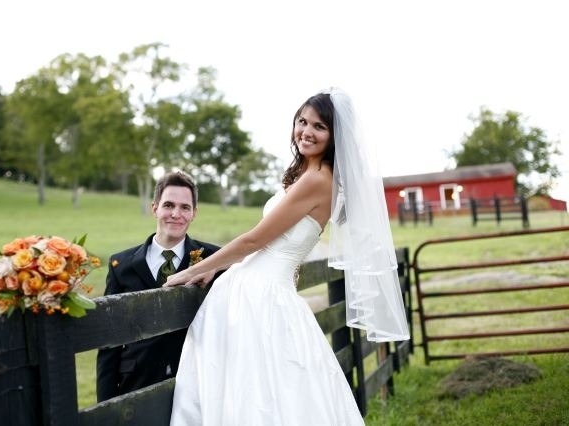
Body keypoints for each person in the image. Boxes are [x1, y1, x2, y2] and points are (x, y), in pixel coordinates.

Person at [164, 88, 409, 425]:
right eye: (302, 121)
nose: (306, 131)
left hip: (259, 296)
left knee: (257, 394)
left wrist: (191, 272)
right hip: (257, 291)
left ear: (335, 135)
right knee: (252, 389)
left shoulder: (318, 180)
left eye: (319, 126)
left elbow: (254, 240)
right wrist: (217, 269)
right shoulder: (308, 175)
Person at [96, 170, 221, 402]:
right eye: (169, 205)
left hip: (196, 383)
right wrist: (106, 405)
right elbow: (109, 342)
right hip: (136, 382)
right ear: (155, 208)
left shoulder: (213, 258)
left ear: (194, 213)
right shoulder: (121, 264)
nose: (176, 214)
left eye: (185, 207)